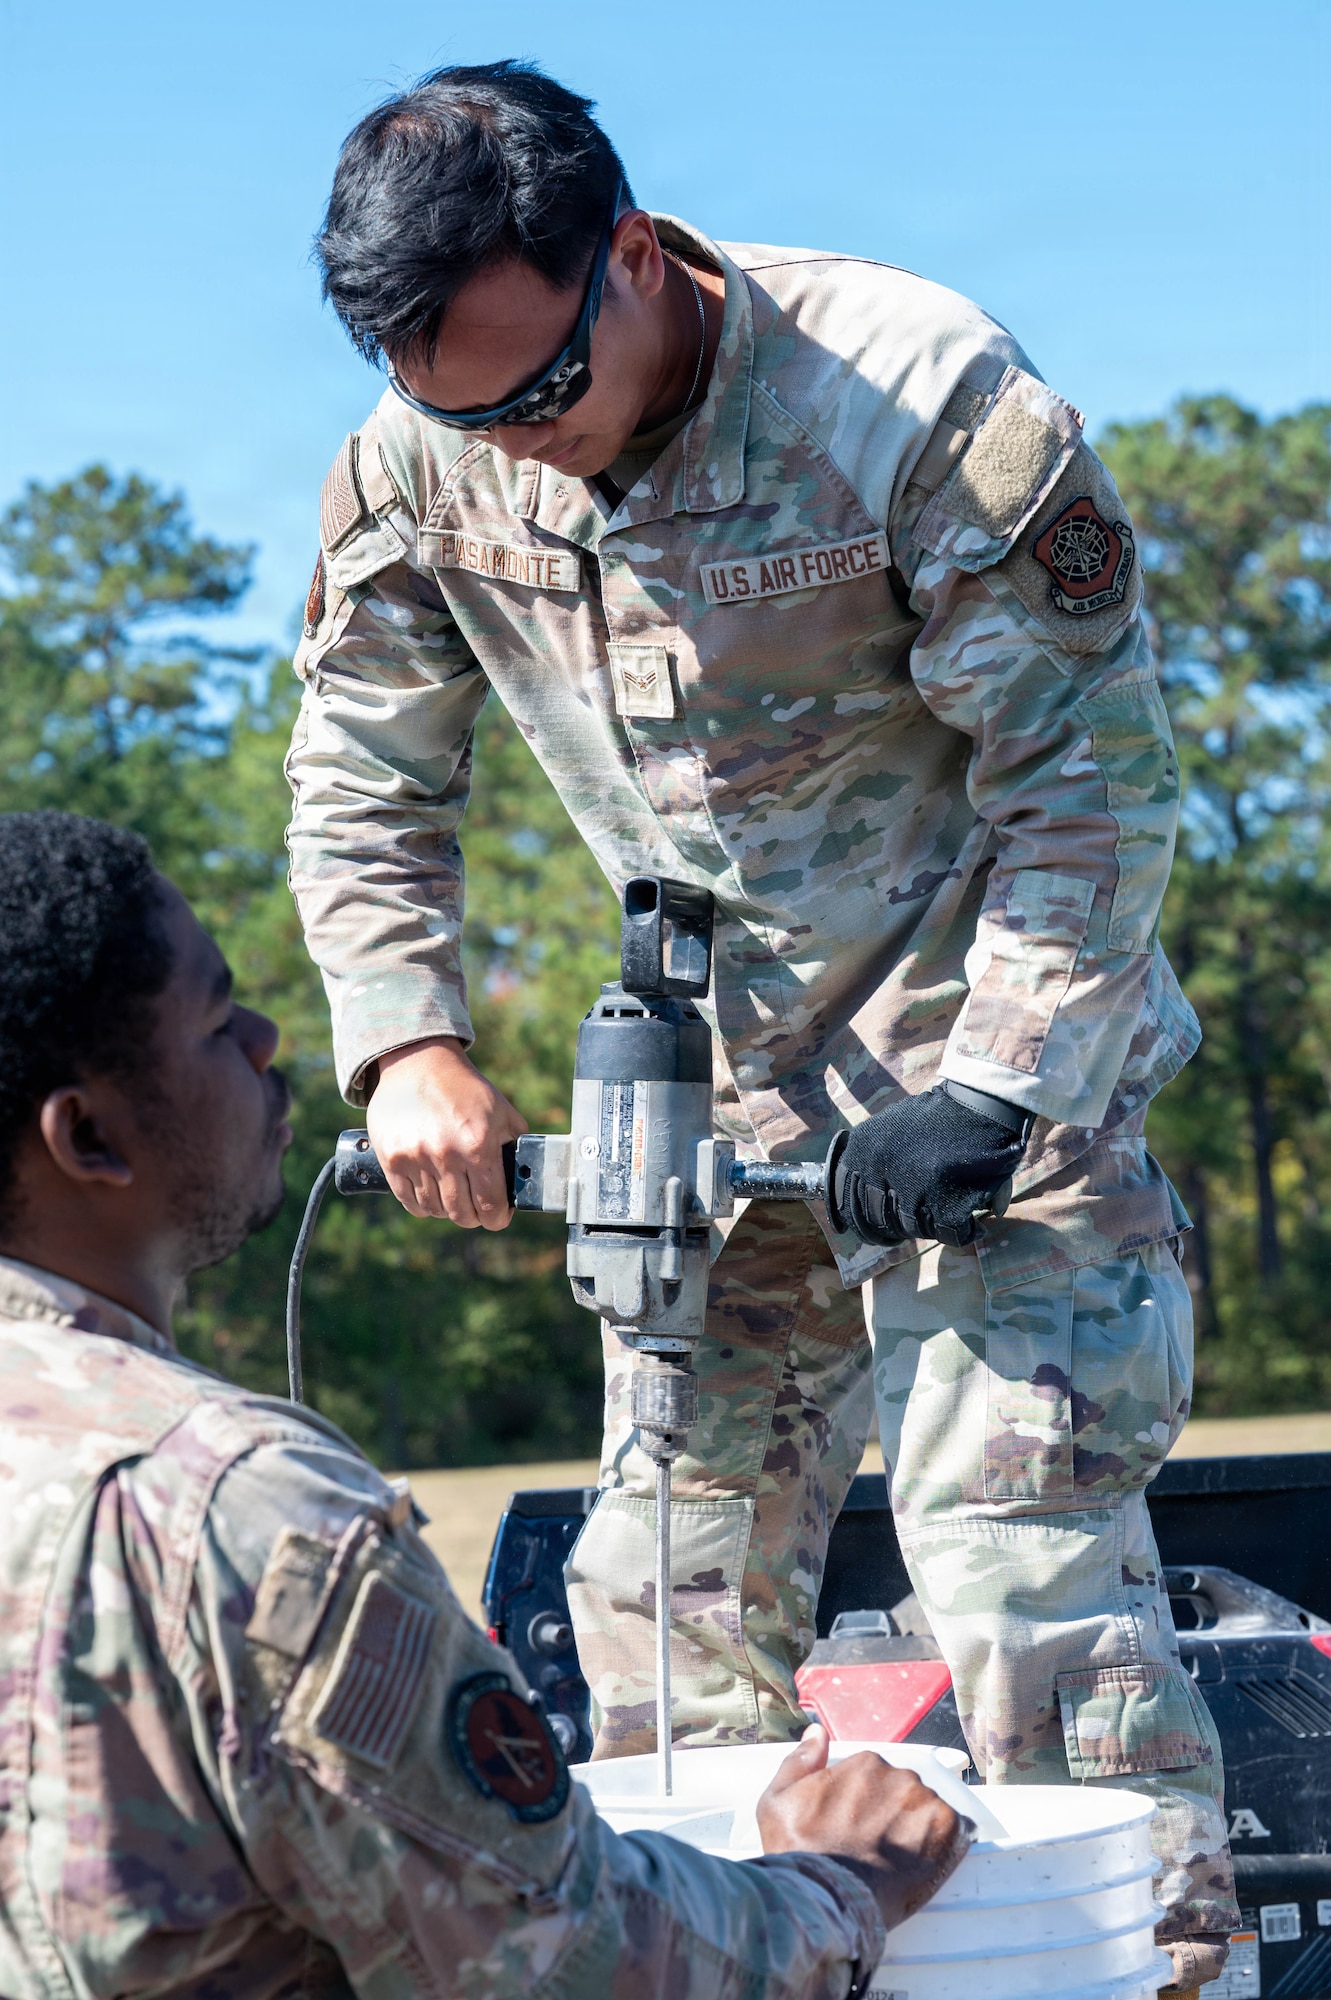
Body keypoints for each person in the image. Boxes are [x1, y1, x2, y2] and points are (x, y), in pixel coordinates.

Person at [284, 60, 1234, 1989]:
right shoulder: (421, 448)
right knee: (656, 1629)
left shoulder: (917, 397)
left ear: (631, 256)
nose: (509, 445)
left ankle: (1165, 1966)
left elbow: (1096, 782)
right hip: (706, 1120)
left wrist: (999, 1086)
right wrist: (406, 1043)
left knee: (1019, 1578)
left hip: (993, 1096)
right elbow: (363, 772)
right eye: (450, 403)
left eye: (541, 391)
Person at [0, 807, 970, 2000]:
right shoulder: (245, 1517)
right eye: (215, 1021)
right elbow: (575, 1961)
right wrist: (840, 1880)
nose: (265, 1040)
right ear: (86, 1134)